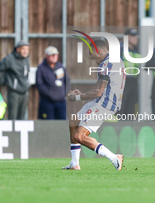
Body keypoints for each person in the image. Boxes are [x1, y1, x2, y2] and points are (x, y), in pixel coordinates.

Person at [63, 40, 125, 170]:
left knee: (79, 136)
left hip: (104, 104)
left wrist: (77, 97)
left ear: (99, 51)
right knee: (74, 121)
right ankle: (74, 163)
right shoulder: (117, 60)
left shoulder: (106, 65)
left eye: (91, 53)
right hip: (105, 101)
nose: (90, 56)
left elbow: (98, 92)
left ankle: (114, 158)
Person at [0, 40, 30, 120]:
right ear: (18, 49)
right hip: (14, 91)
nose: (25, 51)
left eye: (27, 49)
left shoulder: (26, 59)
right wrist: (4, 82)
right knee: (13, 116)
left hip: (24, 91)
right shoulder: (10, 58)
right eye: (23, 49)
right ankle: (12, 132)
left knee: (22, 116)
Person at [36, 46, 67, 120]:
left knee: (61, 123)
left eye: (55, 55)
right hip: (47, 102)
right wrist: (50, 93)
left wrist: (64, 92)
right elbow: (39, 84)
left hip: (61, 102)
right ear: (46, 56)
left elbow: (67, 80)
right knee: (48, 124)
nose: (54, 57)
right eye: (52, 55)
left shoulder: (60, 66)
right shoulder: (41, 68)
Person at [118, 28, 142, 116]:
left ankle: (128, 128)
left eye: (136, 36)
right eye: (132, 36)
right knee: (121, 106)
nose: (135, 38)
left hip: (133, 81)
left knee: (131, 108)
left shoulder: (136, 50)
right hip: (121, 81)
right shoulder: (119, 48)